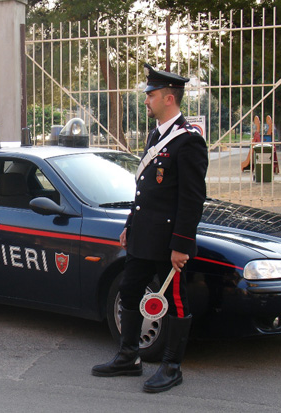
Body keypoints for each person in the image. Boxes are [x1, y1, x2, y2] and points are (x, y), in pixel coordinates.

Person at [91, 64, 208, 393]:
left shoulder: (188, 142)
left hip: (170, 241)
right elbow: (144, 192)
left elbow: (192, 198)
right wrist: (130, 224)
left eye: (151, 94)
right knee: (129, 292)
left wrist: (182, 244)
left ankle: (171, 366)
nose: (146, 100)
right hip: (143, 236)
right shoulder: (157, 135)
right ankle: (129, 356)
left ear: (169, 98)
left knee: (175, 300)